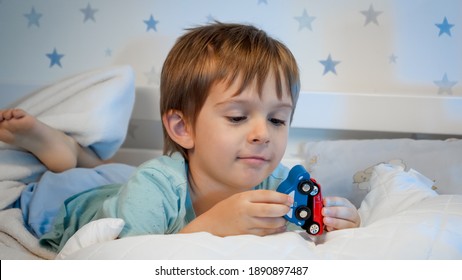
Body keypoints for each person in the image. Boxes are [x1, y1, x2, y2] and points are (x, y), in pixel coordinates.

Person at [0, 22, 360, 253]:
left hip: (128, 183)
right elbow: (126, 256)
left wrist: (341, 219)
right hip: (66, 202)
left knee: (119, 175)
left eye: (278, 119)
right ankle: (63, 154)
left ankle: (78, 156)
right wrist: (212, 226)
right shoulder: (153, 187)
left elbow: (314, 220)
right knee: (88, 180)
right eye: (237, 116)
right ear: (182, 128)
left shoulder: (277, 182)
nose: (262, 134)